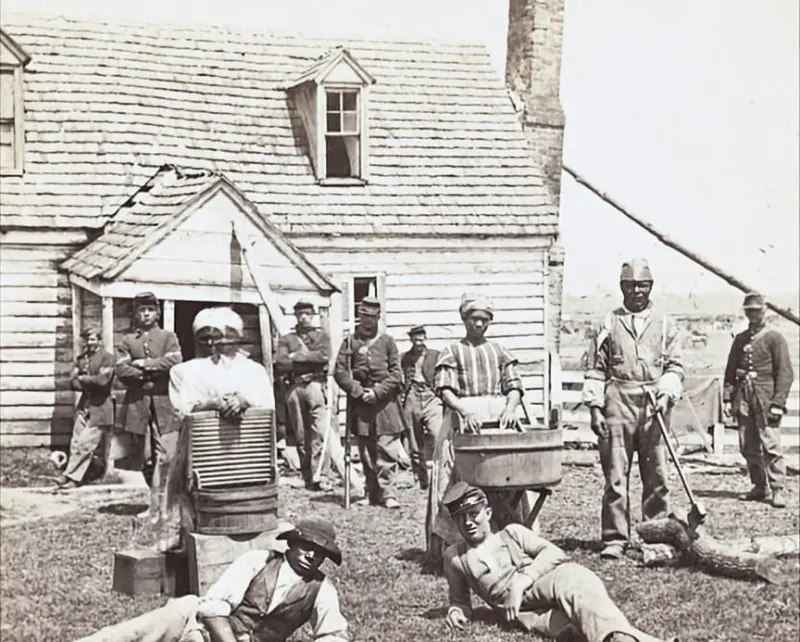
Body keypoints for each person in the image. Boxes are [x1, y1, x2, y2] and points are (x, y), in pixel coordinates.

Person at [441, 482, 675, 642]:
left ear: (488, 514)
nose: (468, 522)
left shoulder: (511, 533)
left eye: (474, 514)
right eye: (461, 518)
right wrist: (456, 611)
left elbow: (554, 553)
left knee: (573, 576)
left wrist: (521, 581)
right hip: (524, 613)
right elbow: (459, 601)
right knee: (578, 626)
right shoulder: (456, 557)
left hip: (537, 586)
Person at [73, 517, 350, 642]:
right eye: (306, 547)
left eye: (320, 552)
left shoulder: (321, 589)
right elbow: (214, 608)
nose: (311, 556)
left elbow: (333, 634)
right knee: (128, 635)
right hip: (194, 620)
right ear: (291, 544)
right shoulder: (257, 561)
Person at [581, 259, 683, 560]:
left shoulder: (665, 324)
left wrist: (666, 394)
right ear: (621, 287)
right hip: (618, 400)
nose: (636, 291)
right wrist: (595, 410)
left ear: (650, 287)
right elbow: (595, 368)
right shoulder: (608, 322)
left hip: (654, 403)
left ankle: (655, 533)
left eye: (642, 285)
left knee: (656, 474)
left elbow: (675, 365)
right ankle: (615, 538)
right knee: (615, 474)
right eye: (630, 285)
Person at [427, 293, 530, 565]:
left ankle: (509, 540)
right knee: (458, 480)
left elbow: (514, 386)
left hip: (498, 420)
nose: (480, 324)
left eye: (485, 320)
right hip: (464, 420)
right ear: (465, 320)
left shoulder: (498, 351)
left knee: (504, 478)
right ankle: (456, 545)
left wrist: (510, 408)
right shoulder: (453, 351)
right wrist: (463, 409)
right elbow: (445, 389)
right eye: (475, 319)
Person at [167, 307, 276, 545]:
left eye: (223, 339)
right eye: (205, 338)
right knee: (193, 510)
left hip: (248, 460)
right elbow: (182, 410)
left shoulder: (255, 371)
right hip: (204, 461)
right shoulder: (184, 372)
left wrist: (245, 401)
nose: (213, 344)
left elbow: (268, 409)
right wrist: (212, 404)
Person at [116, 291, 183, 524]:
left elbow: (175, 361)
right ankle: (154, 502)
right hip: (138, 405)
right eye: (141, 310)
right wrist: (150, 374)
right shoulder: (127, 341)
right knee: (144, 459)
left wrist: (146, 364)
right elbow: (122, 370)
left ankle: (163, 505)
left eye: (150, 310)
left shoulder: (167, 337)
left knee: (166, 455)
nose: (145, 314)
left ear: (157, 313)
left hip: (164, 404)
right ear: (135, 314)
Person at [723, 293, 794, 509]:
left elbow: (785, 373)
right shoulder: (740, 339)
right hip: (744, 397)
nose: (753, 314)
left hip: (766, 398)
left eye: (757, 310)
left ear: (764, 311)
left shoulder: (775, 338)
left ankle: (778, 489)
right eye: (749, 311)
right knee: (747, 445)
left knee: (771, 445)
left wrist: (778, 403)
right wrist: (728, 398)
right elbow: (730, 371)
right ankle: (759, 486)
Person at [333, 296, 405, 509]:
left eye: (373, 318)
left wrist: (377, 392)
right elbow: (340, 372)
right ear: (359, 317)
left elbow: (396, 374)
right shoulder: (349, 342)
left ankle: (388, 493)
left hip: (385, 403)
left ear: (378, 318)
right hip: (361, 403)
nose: (368, 322)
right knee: (366, 450)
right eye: (364, 316)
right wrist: (357, 390)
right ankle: (371, 492)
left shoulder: (388, 342)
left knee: (386, 448)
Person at [275, 300, 332, 491]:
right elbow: (281, 362)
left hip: (315, 384)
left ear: (313, 315)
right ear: (296, 316)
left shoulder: (322, 336)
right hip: (295, 387)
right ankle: (307, 476)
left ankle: (321, 475)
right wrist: (307, 358)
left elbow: (324, 357)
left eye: (307, 314)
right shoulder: (287, 339)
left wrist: (296, 357)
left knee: (319, 430)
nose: (303, 317)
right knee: (300, 433)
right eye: (300, 314)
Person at [55, 327, 115, 489]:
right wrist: (89, 380)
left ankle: (72, 478)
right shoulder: (81, 359)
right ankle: (71, 476)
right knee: (76, 443)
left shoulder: (107, 359)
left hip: (101, 407)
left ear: (100, 341)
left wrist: (83, 379)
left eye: (93, 339)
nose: (90, 342)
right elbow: (71, 382)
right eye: (88, 339)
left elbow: (103, 381)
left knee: (86, 444)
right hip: (84, 405)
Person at [400, 325, 443, 489]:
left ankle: (441, 477)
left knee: (438, 435)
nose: (419, 342)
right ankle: (421, 478)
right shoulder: (405, 357)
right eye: (416, 339)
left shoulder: (435, 355)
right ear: (411, 339)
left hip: (431, 396)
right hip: (412, 396)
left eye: (422, 338)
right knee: (414, 441)